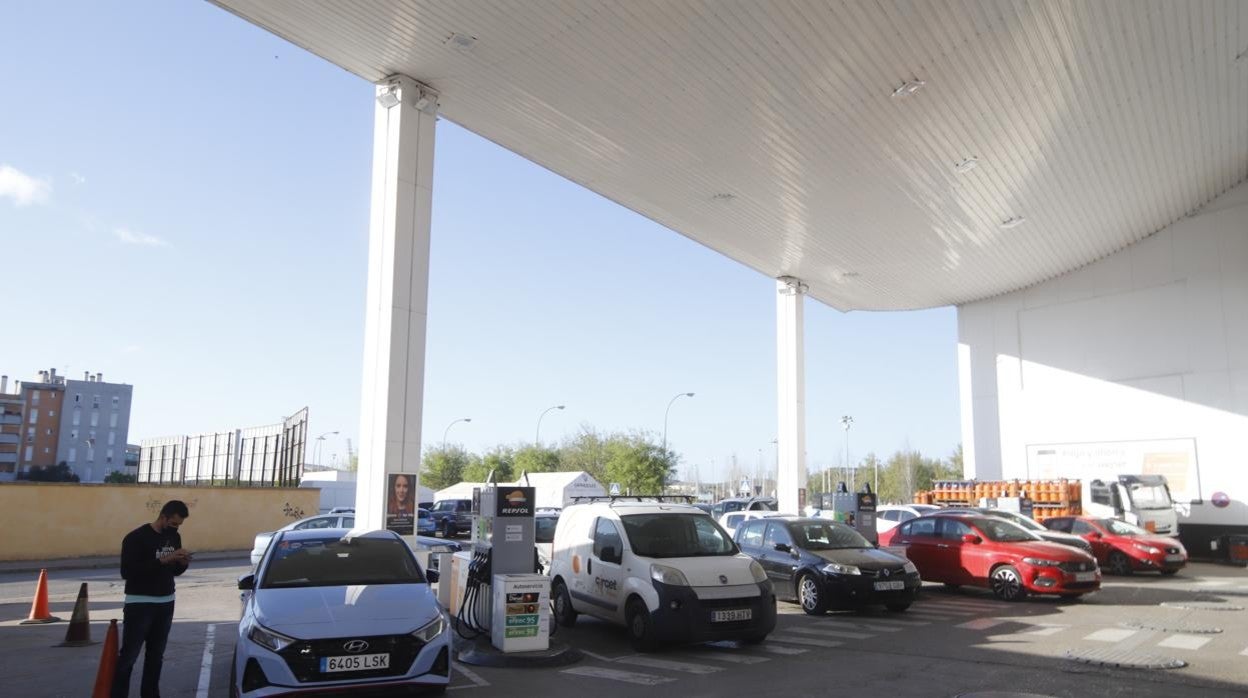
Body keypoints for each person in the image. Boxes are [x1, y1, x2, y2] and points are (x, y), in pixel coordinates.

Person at [113, 500, 191, 698]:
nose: (175, 529)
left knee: (156, 657)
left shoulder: (174, 538)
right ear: (163, 517)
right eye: (173, 524)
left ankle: (150, 694)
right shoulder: (136, 538)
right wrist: (164, 559)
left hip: (165, 602)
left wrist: (182, 563)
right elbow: (128, 572)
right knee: (129, 656)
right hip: (140, 603)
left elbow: (173, 571)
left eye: (179, 525)